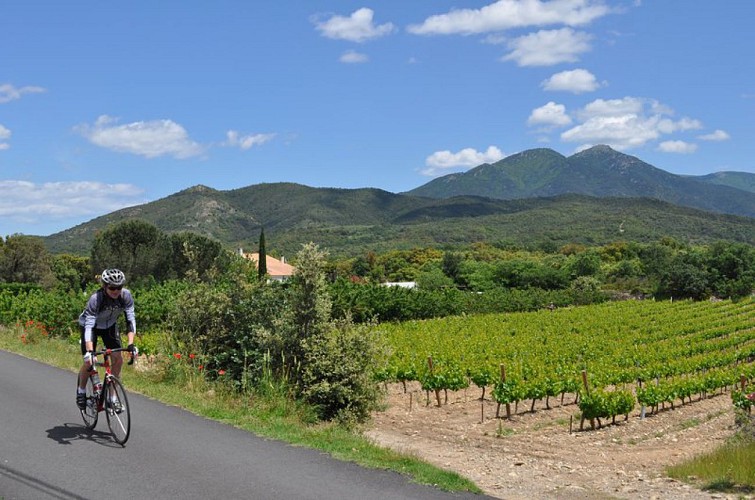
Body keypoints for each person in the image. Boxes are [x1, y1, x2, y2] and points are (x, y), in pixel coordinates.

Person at [76, 268, 138, 410]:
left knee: (118, 359)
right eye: (112, 288)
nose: (116, 291)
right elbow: (89, 326)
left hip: (109, 327)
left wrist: (130, 344)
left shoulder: (126, 296)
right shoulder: (96, 299)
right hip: (90, 327)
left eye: (119, 287)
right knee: (90, 361)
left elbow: (130, 320)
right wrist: (90, 351)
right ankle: (81, 390)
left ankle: (112, 398)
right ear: (104, 286)